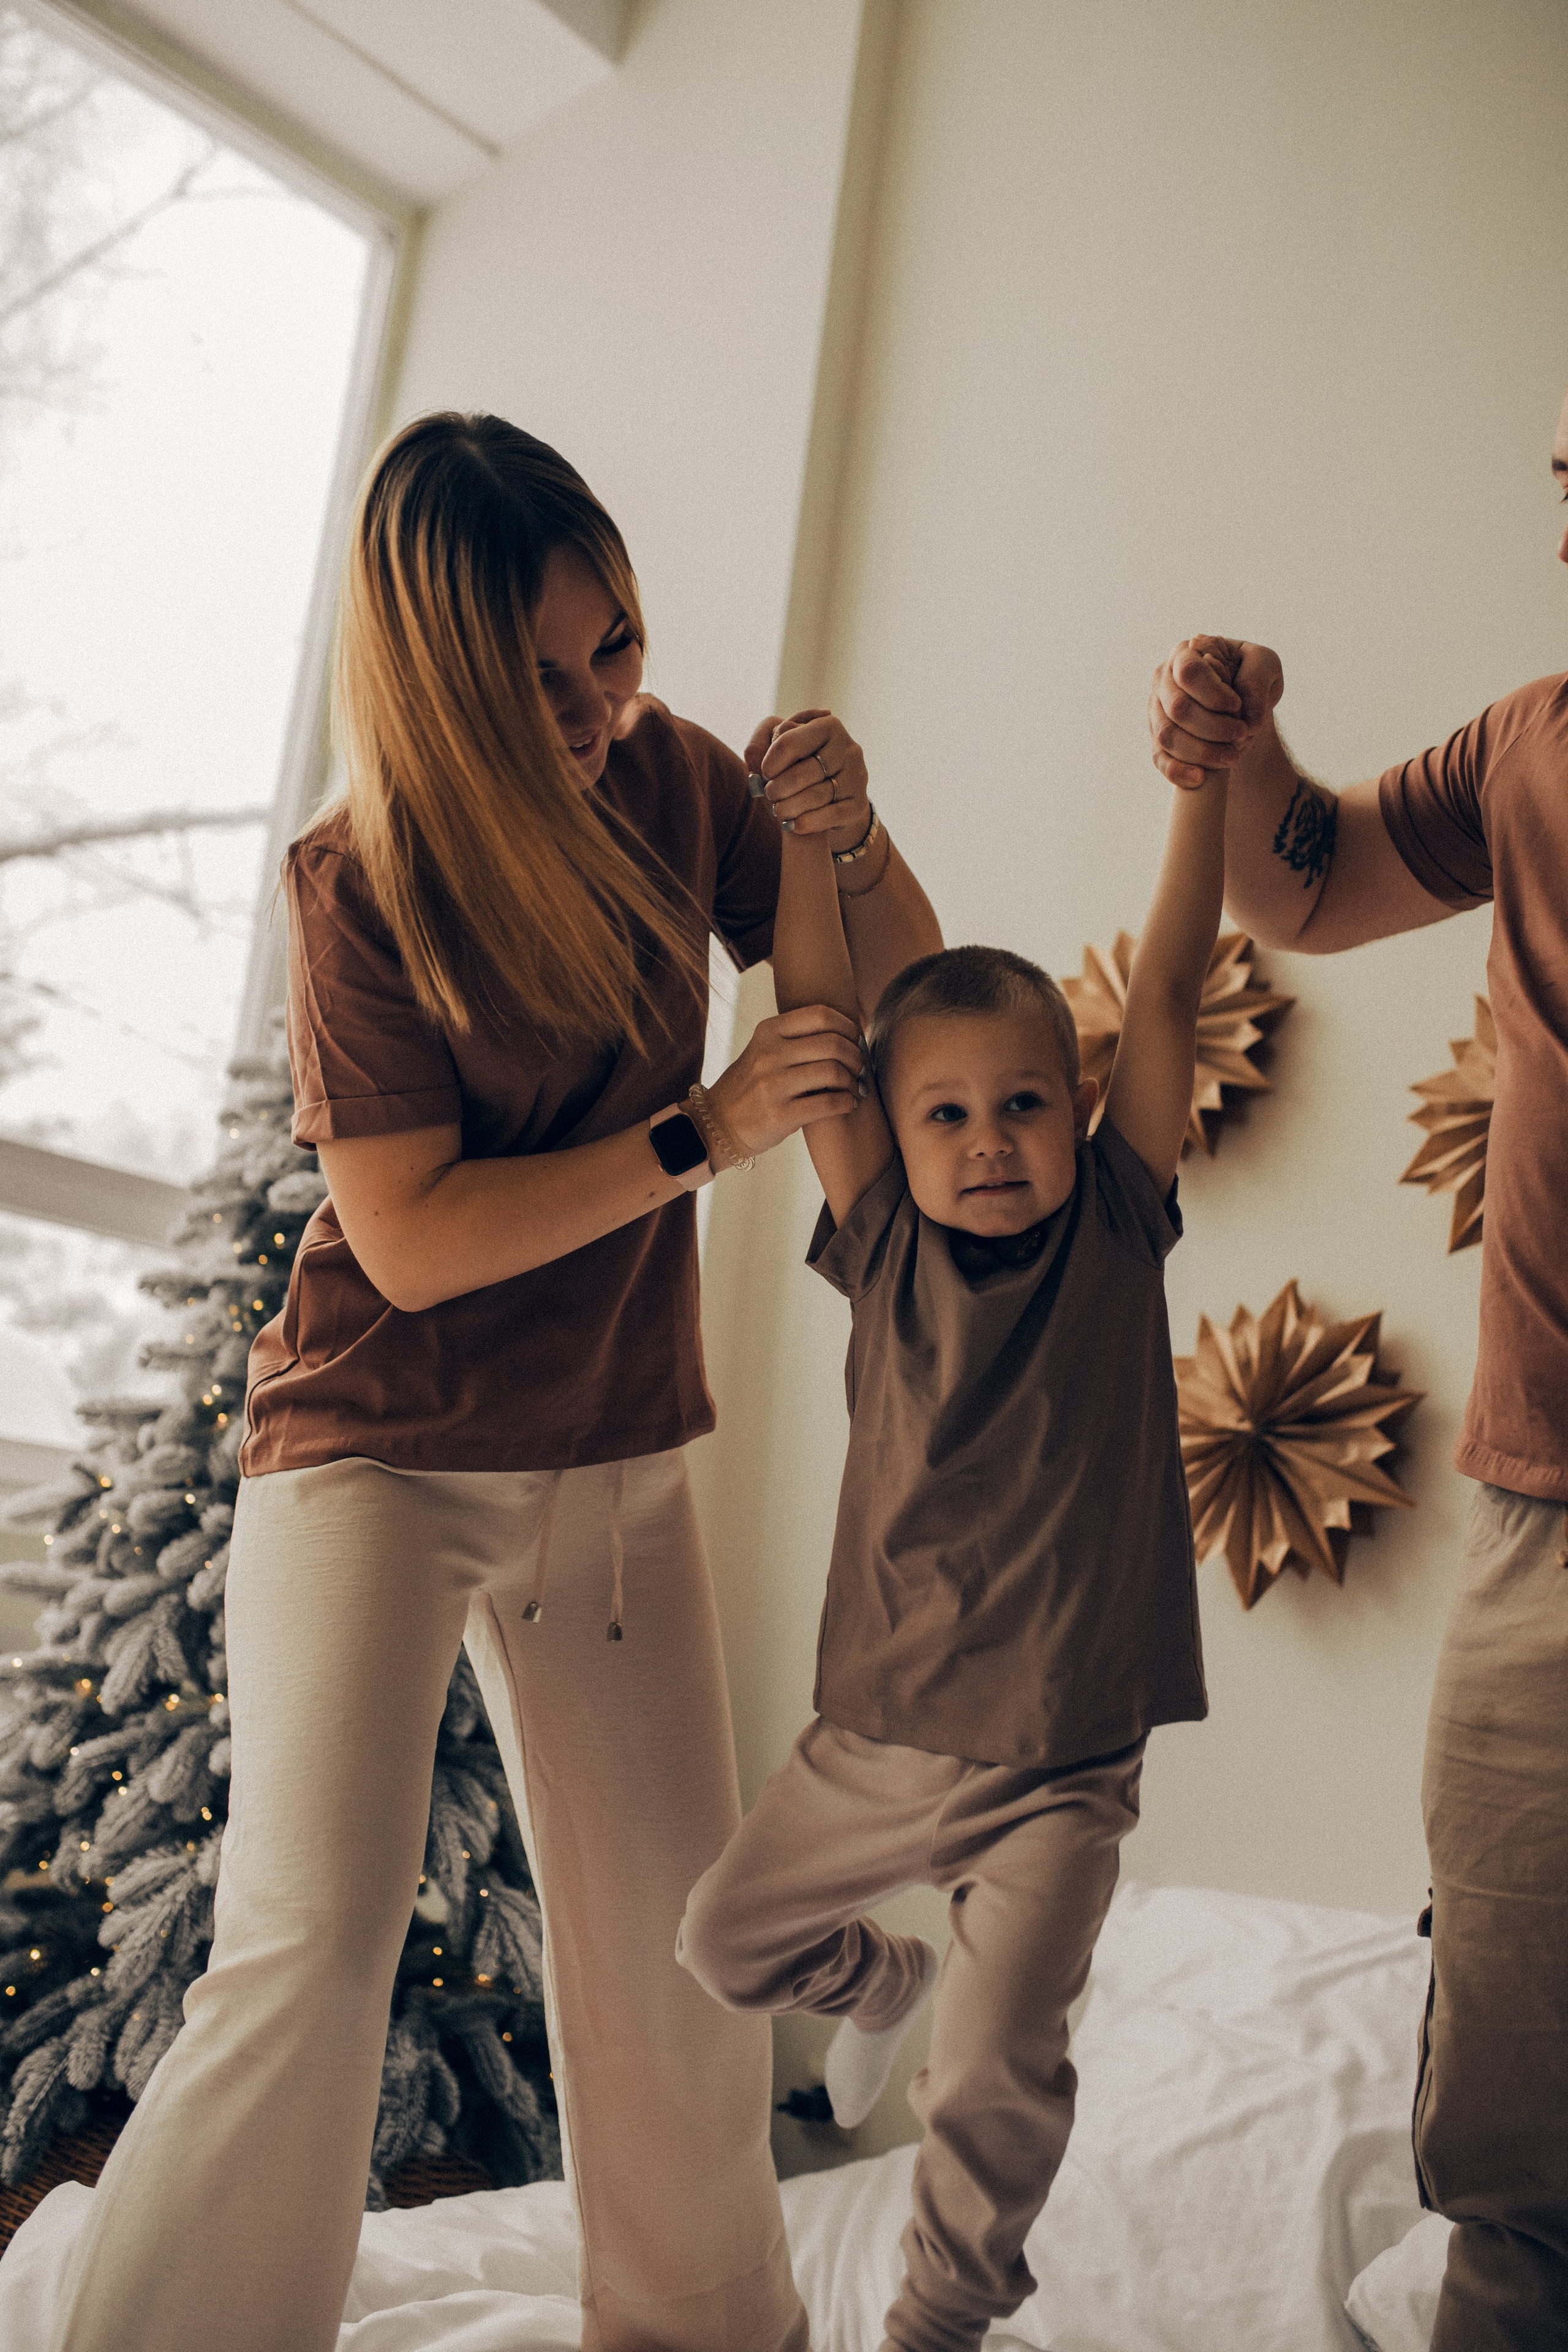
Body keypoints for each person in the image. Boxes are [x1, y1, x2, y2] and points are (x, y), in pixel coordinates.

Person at [50, 411, 941, 2352]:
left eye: (616, 644)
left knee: (676, 1955)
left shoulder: (676, 777)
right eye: (543, 680)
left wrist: (847, 835)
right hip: (371, 1453)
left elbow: (874, 1005)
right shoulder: (356, 881)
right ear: (441, 681)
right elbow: (416, 1238)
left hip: (612, 1462)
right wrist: (696, 1140)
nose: (601, 704)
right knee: (310, 1944)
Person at [676, 722, 1226, 2351]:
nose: (991, 1141)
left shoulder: (1118, 1230)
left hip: (1058, 1764)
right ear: (895, 1140)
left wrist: (1204, 784)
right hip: (875, 1742)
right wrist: (810, 835)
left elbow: (1181, 986)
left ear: (1081, 1112)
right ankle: (885, 1991)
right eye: (951, 1118)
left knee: (993, 2078)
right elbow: (821, 1021)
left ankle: (937, 2325)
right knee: (721, 1940)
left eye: (1027, 1106)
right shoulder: (880, 1245)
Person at [1143, 386, 1568, 2352]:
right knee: (1516, 2171)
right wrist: (1243, 755)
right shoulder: (1533, 743)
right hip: (1536, 1524)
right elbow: (1301, 883)